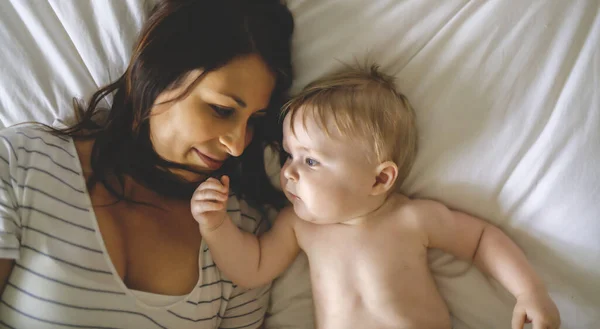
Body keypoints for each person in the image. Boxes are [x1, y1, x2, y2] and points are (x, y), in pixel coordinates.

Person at [0, 0, 314, 328]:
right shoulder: (24, 162)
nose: (236, 146)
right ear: (154, 75)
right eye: (221, 110)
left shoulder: (241, 241)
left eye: (253, 121)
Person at [192, 65, 561, 329]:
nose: (288, 171)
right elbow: (252, 268)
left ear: (379, 179)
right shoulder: (298, 226)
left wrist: (530, 291)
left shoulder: (411, 219)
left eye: (310, 160)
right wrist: (216, 226)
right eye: (289, 155)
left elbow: (482, 240)